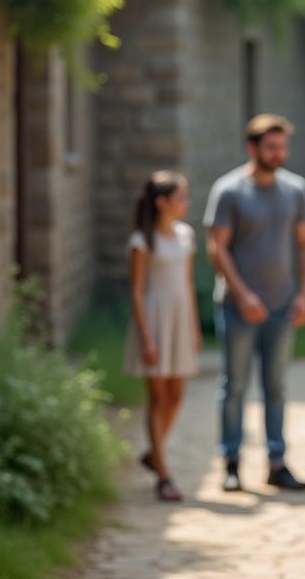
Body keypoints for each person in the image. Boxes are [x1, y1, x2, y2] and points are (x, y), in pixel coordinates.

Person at [205, 115, 305, 493]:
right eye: (271, 147)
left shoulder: (296, 190)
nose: (278, 154)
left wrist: (304, 293)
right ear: (252, 148)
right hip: (237, 307)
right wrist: (243, 294)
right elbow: (217, 247)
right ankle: (231, 462)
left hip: (282, 305)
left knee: (276, 386)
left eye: (282, 147)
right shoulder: (229, 190)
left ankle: (276, 461)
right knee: (233, 385)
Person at [123, 170, 201, 503]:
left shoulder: (185, 236)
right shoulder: (142, 241)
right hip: (154, 319)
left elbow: (187, 283)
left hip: (180, 318)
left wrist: (194, 326)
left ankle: (154, 452)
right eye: (180, 196)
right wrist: (146, 337)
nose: (186, 202)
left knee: (177, 394)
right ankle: (164, 474)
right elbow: (137, 291)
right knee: (157, 397)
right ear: (161, 202)